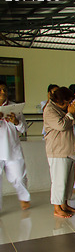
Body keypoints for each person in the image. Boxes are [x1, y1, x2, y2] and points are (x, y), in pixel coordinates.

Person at [43, 87, 75, 218]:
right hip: (58, 151)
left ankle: (64, 204)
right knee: (59, 180)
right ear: (58, 101)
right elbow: (62, 125)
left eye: (68, 103)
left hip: (69, 150)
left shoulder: (65, 110)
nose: (67, 105)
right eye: (65, 103)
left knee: (68, 180)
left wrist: (72, 114)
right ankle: (57, 208)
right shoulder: (49, 110)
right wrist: (70, 114)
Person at [0, 80, 30, 212]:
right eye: (0, 90)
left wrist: (16, 122)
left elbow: (23, 129)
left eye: (5, 90)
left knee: (19, 176)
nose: (3, 92)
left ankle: (24, 198)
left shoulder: (14, 108)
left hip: (12, 148)